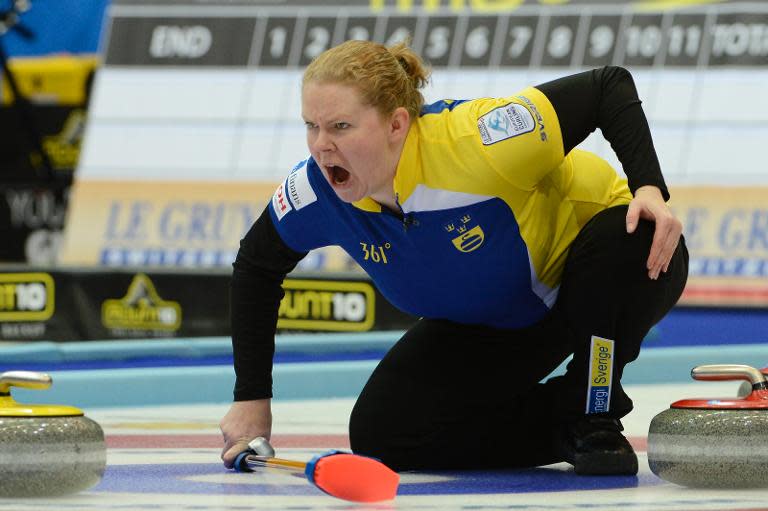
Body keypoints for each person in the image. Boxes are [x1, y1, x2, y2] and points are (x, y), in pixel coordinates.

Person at [219, 39, 688, 476]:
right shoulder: (317, 190)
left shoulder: (478, 141)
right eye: (311, 126)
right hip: (499, 320)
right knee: (383, 436)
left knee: (633, 229)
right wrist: (251, 398)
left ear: (397, 125)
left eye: (340, 126)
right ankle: (564, 427)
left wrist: (650, 189)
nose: (321, 145)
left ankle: (596, 413)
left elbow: (608, 85)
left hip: (608, 275)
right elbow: (257, 267)